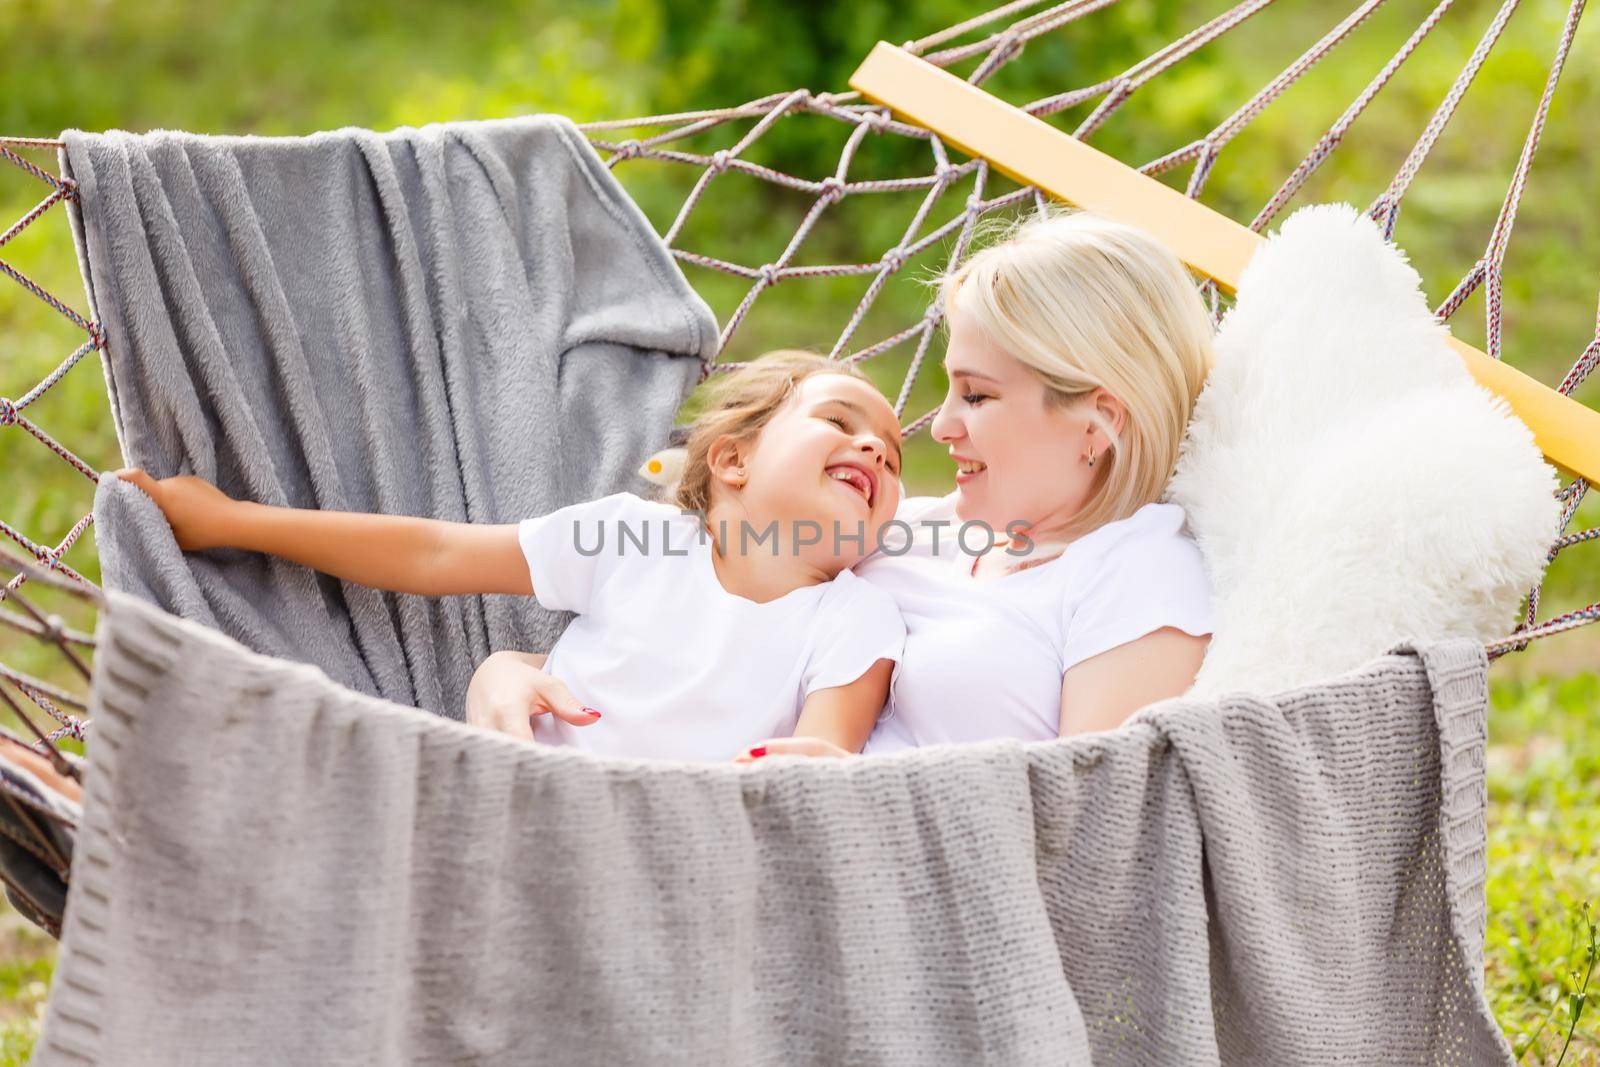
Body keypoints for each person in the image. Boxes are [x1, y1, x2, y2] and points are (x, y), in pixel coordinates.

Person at [472, 208, 1217, 760]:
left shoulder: (1137, 571)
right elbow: (694, 639)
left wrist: (857, 792)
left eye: (978, 396)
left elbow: (1093, 825)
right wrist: (512, 673)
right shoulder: (896, 529)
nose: (941, 425)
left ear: (1098, 422)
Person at [116, 349, 908, 762]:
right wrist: (236, 519)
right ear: (732, 461)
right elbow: (434, 553)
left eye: (896, 459)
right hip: (521, 798)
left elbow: (816, 772)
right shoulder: (635, 540)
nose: (875, 447)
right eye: (841, 421)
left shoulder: (853, 615)